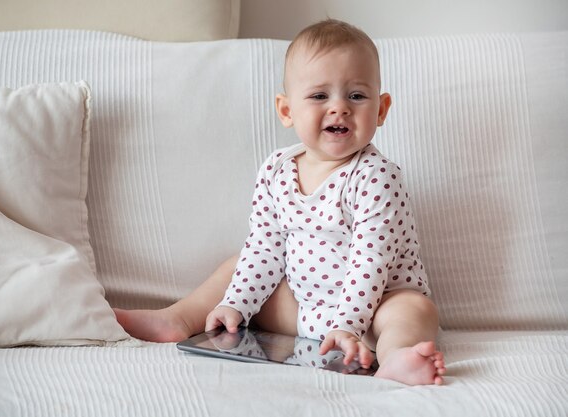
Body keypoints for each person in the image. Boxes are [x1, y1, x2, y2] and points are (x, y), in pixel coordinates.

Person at [114, 19, 446, 386]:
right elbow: (265, 248)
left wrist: (349, 325)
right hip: (304, 309)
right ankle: (179, 318)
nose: (339, 108)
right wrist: (238, 303)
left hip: (373, 311)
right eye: (320, 96)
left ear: (381, 110)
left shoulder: (376, 176)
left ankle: (396, 357)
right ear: (287, 110)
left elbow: (371, 260)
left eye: (356, 96)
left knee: (413, 310)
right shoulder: (276, 169)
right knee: (238, 264)